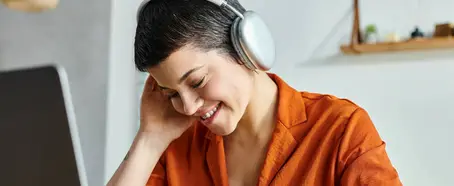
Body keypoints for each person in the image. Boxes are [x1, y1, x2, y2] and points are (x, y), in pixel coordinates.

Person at [107, 0, 402, 185]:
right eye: (171, 93)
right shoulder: (178, 144)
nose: (187, 106)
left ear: (245, 49)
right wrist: (148, 141)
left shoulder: (341, 131)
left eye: (196, 82)